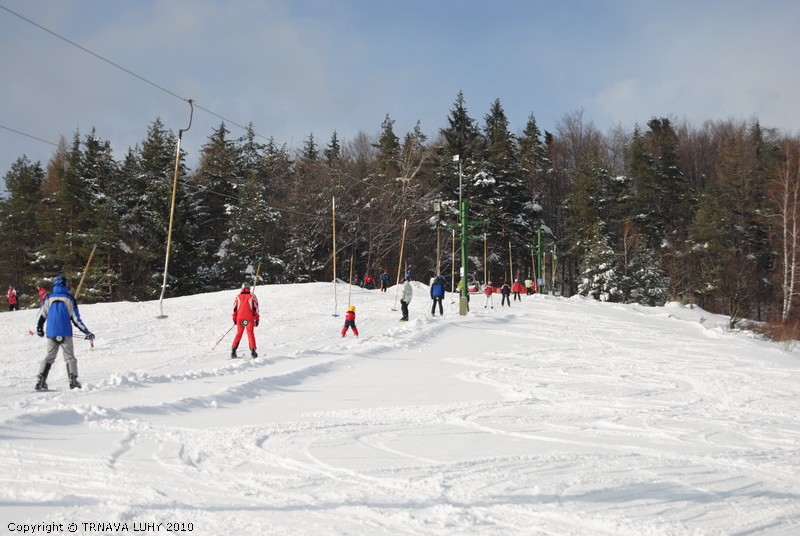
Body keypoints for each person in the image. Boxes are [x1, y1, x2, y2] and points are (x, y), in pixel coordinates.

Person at [34, 275, 94, 390]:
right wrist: (87, 332)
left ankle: (40, 380)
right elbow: (76, 319)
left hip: (51, 333)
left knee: (49, 357)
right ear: (64, 284)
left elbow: (42, 316)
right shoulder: (69, 299)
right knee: (69, 357)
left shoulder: (48, 298)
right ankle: (73, 381)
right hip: (66, 333)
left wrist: (39, 328)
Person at [231, 282, 260, 359]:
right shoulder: (252, 296)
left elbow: (234, 309)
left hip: (239, 318)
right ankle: (253, 352)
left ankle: (233, 351)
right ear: (249, 288)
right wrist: (256, 319)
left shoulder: (238, 296)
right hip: (249, 318)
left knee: (239, 334)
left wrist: (234, 319)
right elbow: (256, 309)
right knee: (250, 334)